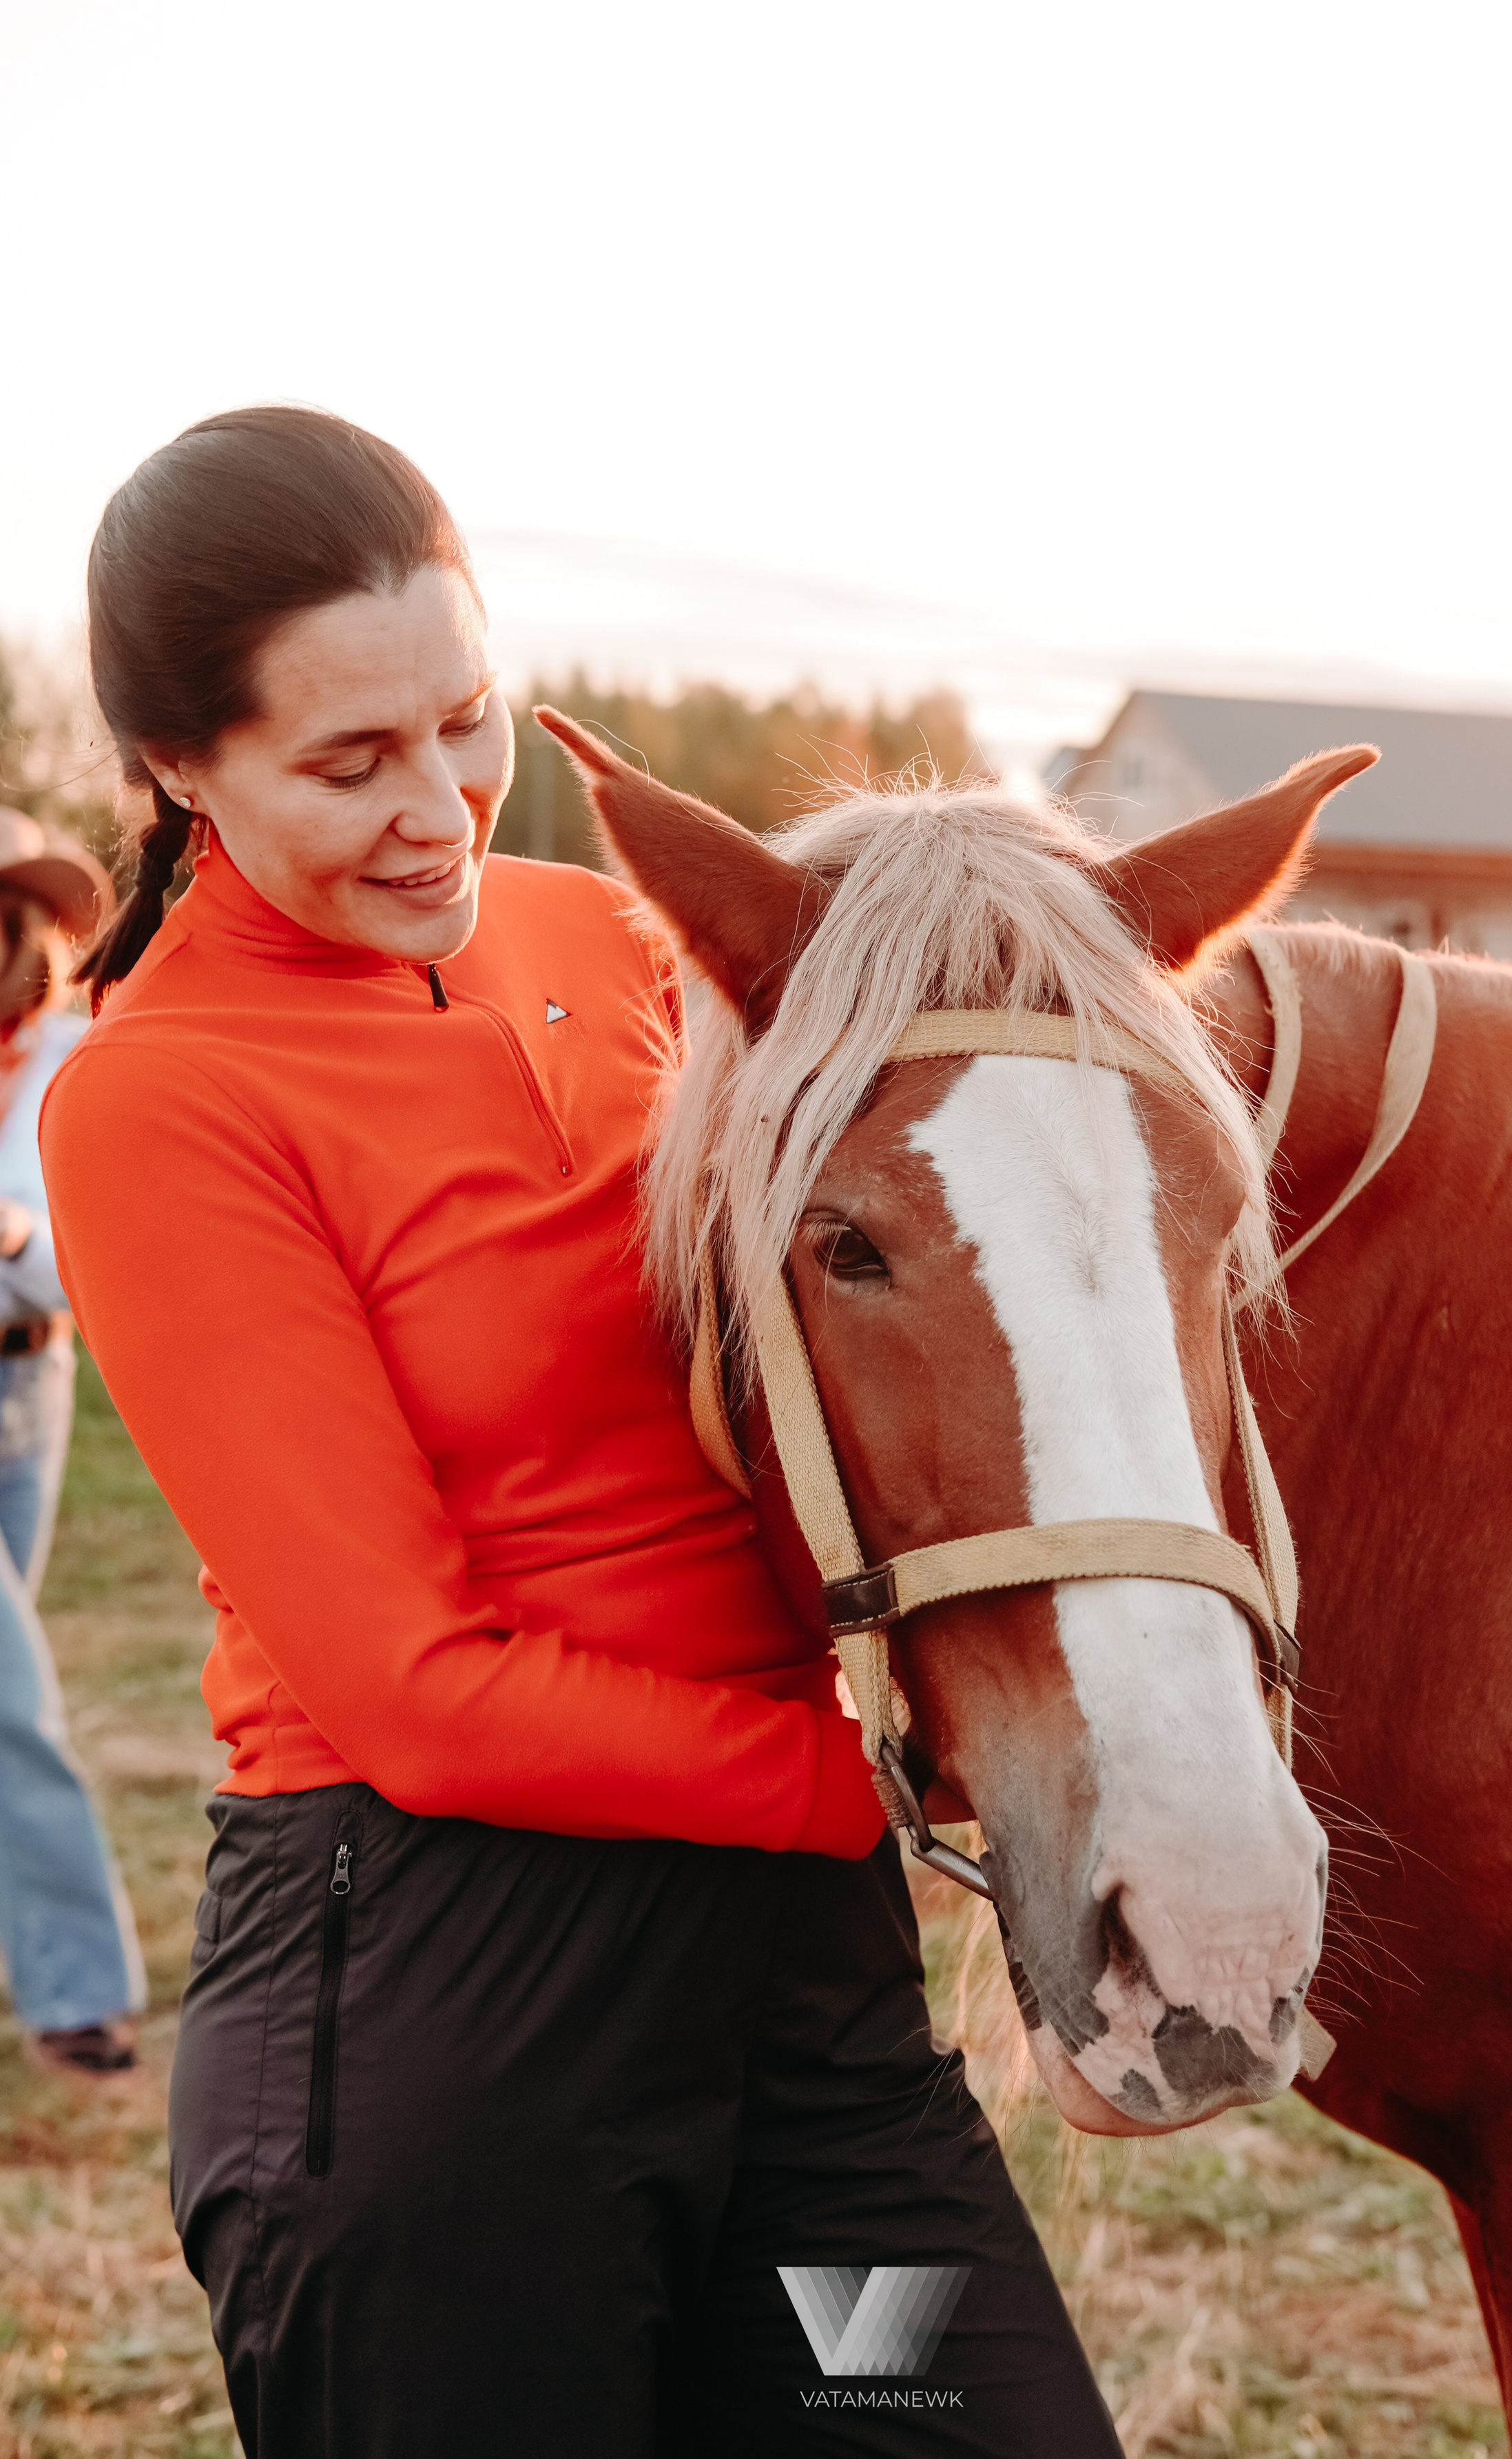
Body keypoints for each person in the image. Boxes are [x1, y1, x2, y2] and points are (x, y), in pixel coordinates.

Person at [39, 408, 1122, 2459]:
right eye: (346, 763)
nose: (441, 804)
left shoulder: (607, 937)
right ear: (179, 765)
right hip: (456, 2043)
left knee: (931, 2424)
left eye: (468, 719)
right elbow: (423, 1694)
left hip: (800, 2024)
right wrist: (862, 1772)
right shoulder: (161, 1099)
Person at [0, 809, 145, 2073]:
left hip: (29, 1392)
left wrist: (14, 1246)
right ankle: (73, 1992)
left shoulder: (75, 1057)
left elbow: (91, 1267)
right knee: (11, 1694)